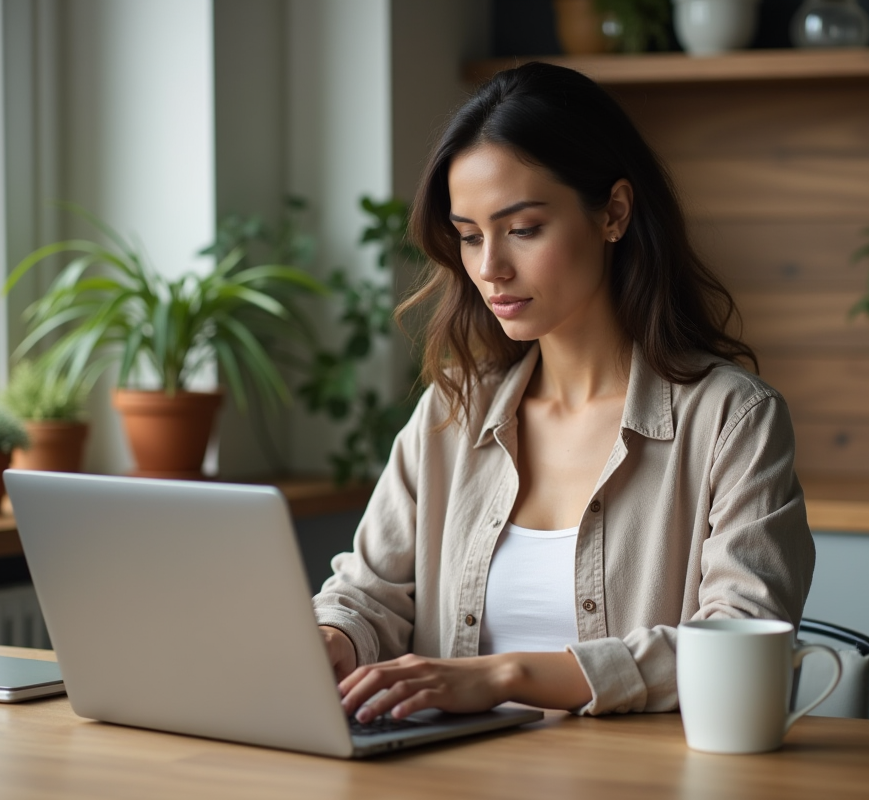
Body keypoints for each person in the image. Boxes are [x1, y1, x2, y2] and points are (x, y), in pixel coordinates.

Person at [313, 62, 814, 722]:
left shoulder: (731, 420)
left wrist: (503, 675)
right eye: (468, 236)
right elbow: (368, 594)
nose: (489, 268)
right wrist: (332, 640)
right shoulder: (452, 412)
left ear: (613, 213)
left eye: (522, 229)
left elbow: (741, 639)